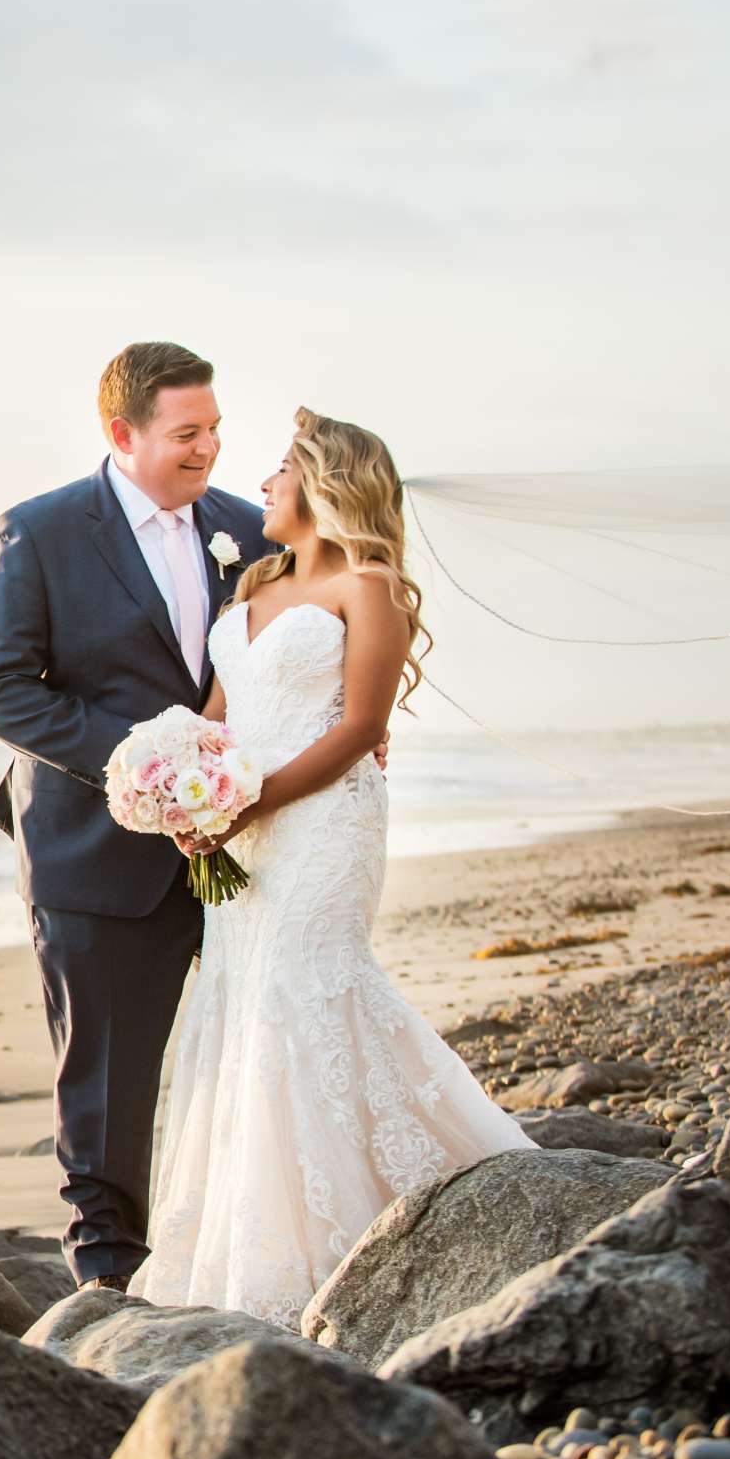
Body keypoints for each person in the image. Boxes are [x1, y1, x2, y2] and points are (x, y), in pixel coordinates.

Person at [131, 406, 535, 1328]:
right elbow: (214, 720)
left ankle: (370, 1226)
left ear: (324, 482)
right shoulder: (254, 589)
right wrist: (187, 797)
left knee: (303, 993)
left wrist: (249, 799)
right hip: (245, 834)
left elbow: (359, 730)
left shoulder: (372, 586)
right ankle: (254, 1246)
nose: (264, 485)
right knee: (242, 1006)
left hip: (322, 825)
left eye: (280, 469)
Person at [0, 340, 276, 1292]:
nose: (208, 450)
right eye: (187, 433)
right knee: (107, 1079)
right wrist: (148, 765)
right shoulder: (40, 531)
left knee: (252, 1051)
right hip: (92, 847)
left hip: (243, 843)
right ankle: (107, 1278)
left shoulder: (252, 531)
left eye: (216, 430)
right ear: (122, 433)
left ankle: (232, 1250)